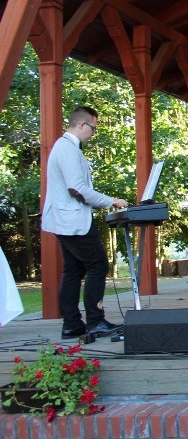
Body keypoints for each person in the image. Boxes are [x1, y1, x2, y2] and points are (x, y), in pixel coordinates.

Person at [42, 106, 128, 338]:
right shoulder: (68, 149)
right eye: (93, 128)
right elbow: (77, 189)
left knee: (73, 270)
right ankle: (95, 321)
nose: (93, 133)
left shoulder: (65, 147)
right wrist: (111, 201)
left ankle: (71, 324)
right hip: (73, 221)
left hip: (65, 220)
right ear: (81, 125)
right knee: (97, 265)